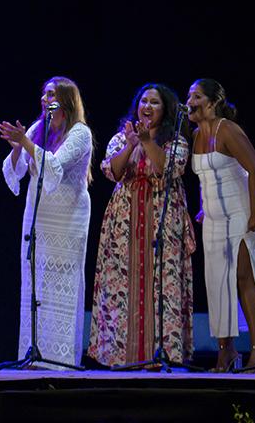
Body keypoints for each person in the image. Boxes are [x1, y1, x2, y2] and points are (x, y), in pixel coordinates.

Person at [89, 84, 195, 367]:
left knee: (161, 284)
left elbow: (167, 168)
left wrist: (148, 141)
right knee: (123, 282)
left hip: (162, 220)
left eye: (155, 102)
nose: (147, 106)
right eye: (144, 101)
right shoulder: (123, 137)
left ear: (166, 109)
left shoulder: (175, 140)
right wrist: (131, 144)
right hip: (125, 223)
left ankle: (160, 354)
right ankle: (122, 355)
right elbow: (113, 170)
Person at [0, 77, 93, 369]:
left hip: (67, 219)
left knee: (62, 283)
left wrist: (26, 142)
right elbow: (14, 171)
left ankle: (60, 360)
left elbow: (54, 166)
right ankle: (34, 353)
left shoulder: (80, 133)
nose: (44, 98)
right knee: (36, 282)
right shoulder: (38, 128)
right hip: (38, 217)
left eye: (51, 94)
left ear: (66, 99)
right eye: (43, 93)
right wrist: (18, 146)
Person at [186, 79, 255, 372]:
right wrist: (202, 207)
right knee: (217, 283)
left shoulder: (228, 130)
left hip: (243, 208)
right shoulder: (196, 135)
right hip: (214, 217)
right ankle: (227, 351)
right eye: (189, 96)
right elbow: (204, 175)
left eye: (196, 96)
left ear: (212, 102)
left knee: (244, 277)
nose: (190, 101)